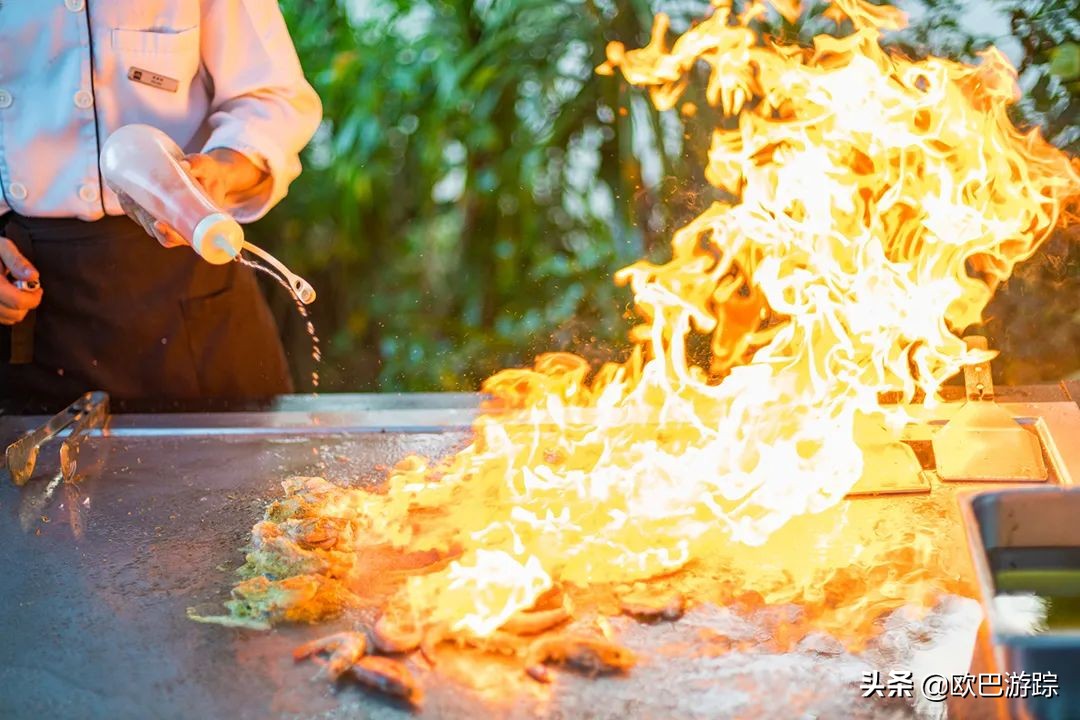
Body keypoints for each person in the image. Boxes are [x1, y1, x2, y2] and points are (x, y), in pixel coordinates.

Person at [0, 1, 322, 411]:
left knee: (252, 470)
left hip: (189, 265)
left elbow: (272, 98)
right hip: (25, 294)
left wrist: (222, 171)